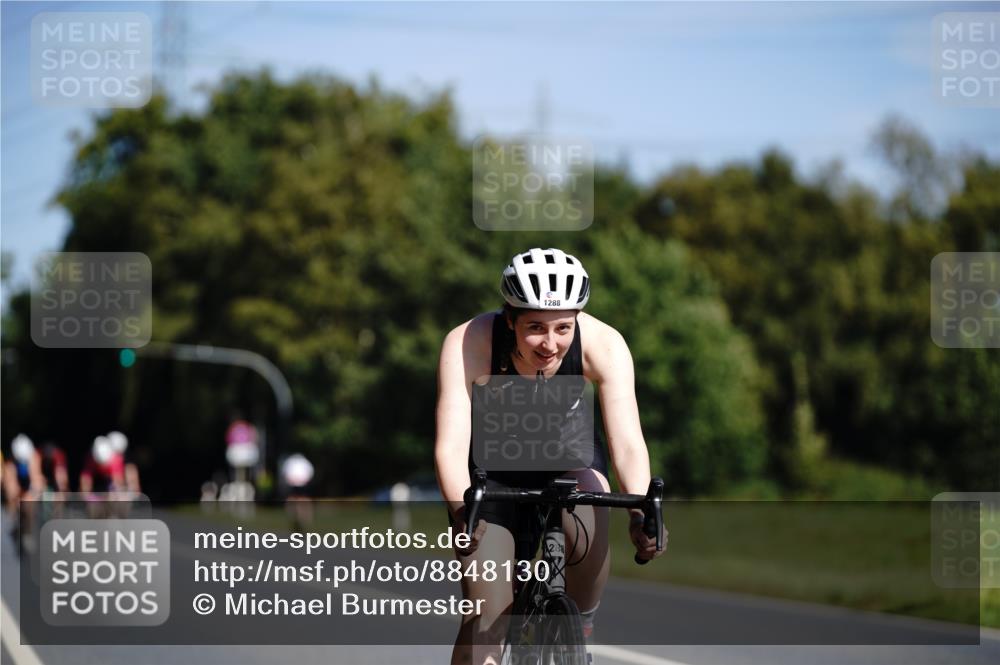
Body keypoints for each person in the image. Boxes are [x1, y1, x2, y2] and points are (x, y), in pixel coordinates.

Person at [434, 248, 666, 665]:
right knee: (487, 617)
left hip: (569, 459)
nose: (550, 343)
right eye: (535, 327)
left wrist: (640, 513)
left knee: (594, 495)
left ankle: (582, 625)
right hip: (494, 470)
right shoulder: (470, 341)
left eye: (563, 328)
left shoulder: (604, 344)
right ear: (509, 320)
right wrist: (459, 512)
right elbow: (450, 444)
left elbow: (628, 443)